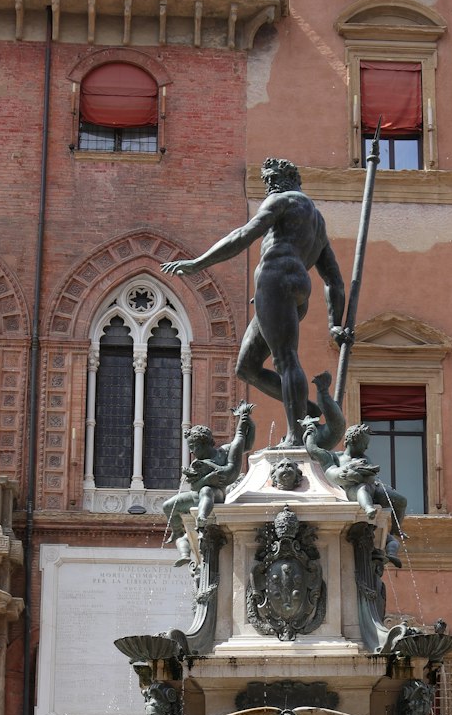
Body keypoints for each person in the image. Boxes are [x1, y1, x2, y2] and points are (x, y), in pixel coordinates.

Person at [162, 157, 347, 447]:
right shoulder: (317, 223)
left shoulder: (282, 201)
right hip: (295, 287)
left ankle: (297, 436)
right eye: (266, 181)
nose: (269, 186)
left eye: (273, 179)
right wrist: (336, 324)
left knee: (285, 359)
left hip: (275, 278)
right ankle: (307, 411)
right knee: (246, 367)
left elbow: (243, 234)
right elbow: (333, 279)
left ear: (290, 180)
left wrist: (199, 262)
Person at [300, 418, 407, 565]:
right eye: (365, 444)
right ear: (354, 442)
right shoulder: (335, 458)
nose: (367, 447)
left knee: (400, 500)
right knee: (362, 491)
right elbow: (313, 450)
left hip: (373, 488)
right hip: (354, 490)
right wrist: (310, 430)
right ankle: (368, 508)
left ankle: (396, 529)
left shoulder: (364, 458)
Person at [162, 402, 254, 566]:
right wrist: (207, 479)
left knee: (207, 491)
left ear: (204, 444)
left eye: (193, 447)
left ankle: (202, 519)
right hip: (199, 495)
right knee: (169, 505)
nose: (191, 452)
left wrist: (248, 421)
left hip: (216, 494)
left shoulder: (223, 452)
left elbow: (245, 444)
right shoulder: (196, 464)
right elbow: (194, 487)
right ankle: (177, 532)